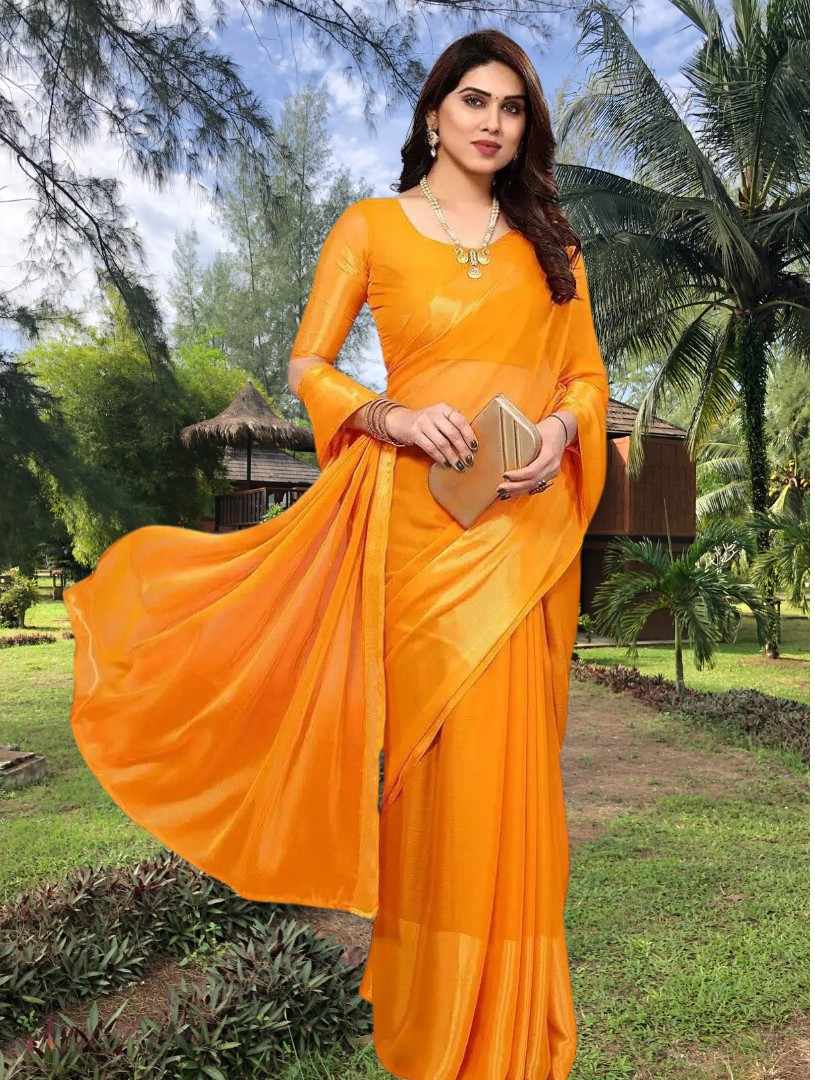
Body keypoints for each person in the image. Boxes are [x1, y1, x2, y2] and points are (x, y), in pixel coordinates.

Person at [64, 27, 609, 1080]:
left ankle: (508, 1022)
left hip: (525, 532)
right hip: (419, 530)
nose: (492, 122)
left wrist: (557, 432)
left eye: (510, 108)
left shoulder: (554, 248)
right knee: (433, 774)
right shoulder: (369, 225)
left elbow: (585, 379)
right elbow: (309, 362)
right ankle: (435, 1011)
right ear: (433, 113)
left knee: (512, 775)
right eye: (473, 101)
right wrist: (389, 416)